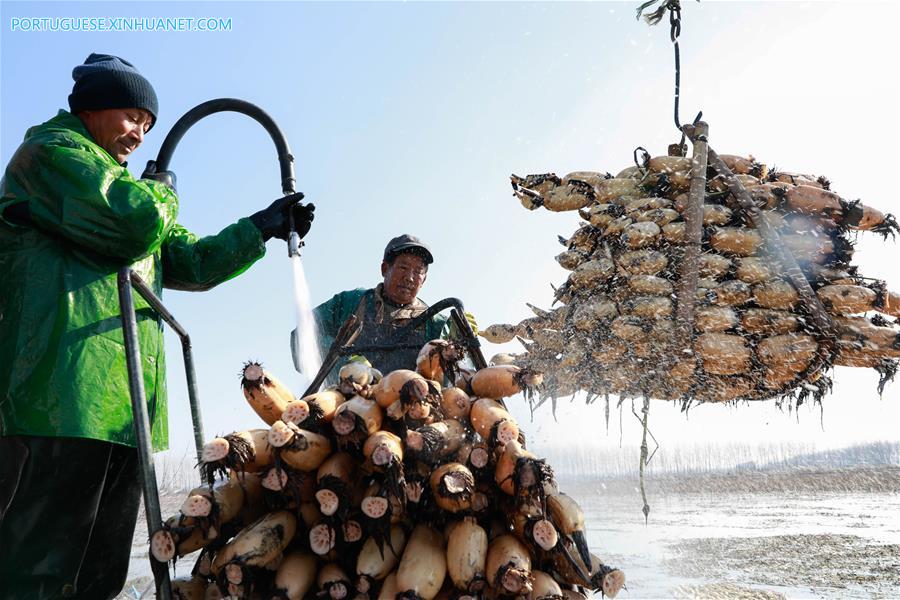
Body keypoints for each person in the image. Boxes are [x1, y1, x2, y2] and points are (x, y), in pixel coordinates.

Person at [0, 53, 314, 599]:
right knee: (40, 568)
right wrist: (163, 189)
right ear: (91, 108)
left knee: (99, 572)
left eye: (147, 125)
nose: (140, 134)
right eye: (131, 117)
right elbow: (136, 222)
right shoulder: (53, 154)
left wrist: (259, 227)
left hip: (127, 409)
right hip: (59, 397)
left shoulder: (121, 186)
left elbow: (191, 261)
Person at [312, 234, 475, 379]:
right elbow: (303, 336)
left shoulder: (435, 324)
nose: (409, 278)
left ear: (424, 280)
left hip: (410, 400)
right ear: (385, 269)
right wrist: (347, 363)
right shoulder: (350, 302)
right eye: (403, 267)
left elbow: (454, 380)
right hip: (346, 399)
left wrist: (460, 345)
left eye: (418, 271)